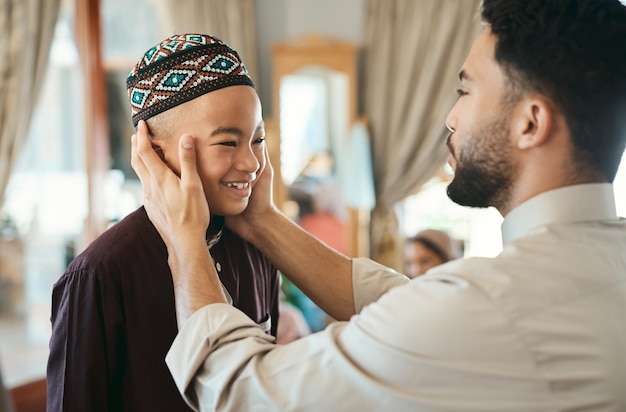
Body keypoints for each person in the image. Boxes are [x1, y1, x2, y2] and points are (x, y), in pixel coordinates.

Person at [132, 0, 626, 410]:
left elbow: (242, 391)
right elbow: (408, 306)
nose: (452, 118)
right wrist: (262, 222)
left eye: (466, 90)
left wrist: (187, 246)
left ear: (531, 123)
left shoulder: (498, 306)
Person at [46, 34, 281, 411]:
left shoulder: (258, 250)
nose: (252, 163)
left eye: (257, 140)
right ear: (155, 152)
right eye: (227, 143)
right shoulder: (99, 275)